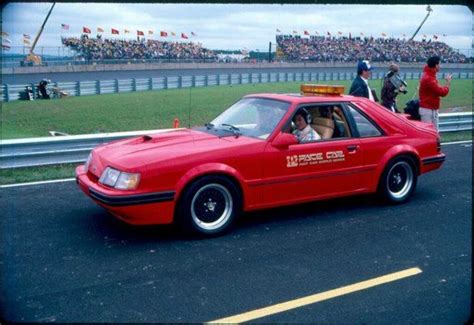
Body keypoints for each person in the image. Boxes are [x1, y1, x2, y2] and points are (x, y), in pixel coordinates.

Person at [419, 56, 451, 130]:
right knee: (429, 135)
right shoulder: (429, 78)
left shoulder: (429, 75)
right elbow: (442, 92)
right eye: (439, 64)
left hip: (430, 108)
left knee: (433, 134)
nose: (440, 66)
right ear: (436, 65)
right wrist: (448, 83)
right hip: (428, 110)